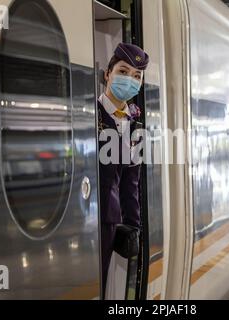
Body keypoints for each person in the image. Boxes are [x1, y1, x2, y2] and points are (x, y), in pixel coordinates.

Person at [97, 43, 149, 295]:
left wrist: (134, 227)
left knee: (111, 287)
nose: (130, 80)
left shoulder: (135, 121)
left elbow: (132, 180)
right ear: (108, 73)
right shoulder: (91, 115)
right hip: (94, 221)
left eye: (136, 76)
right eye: (123, 71)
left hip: (116, 223)